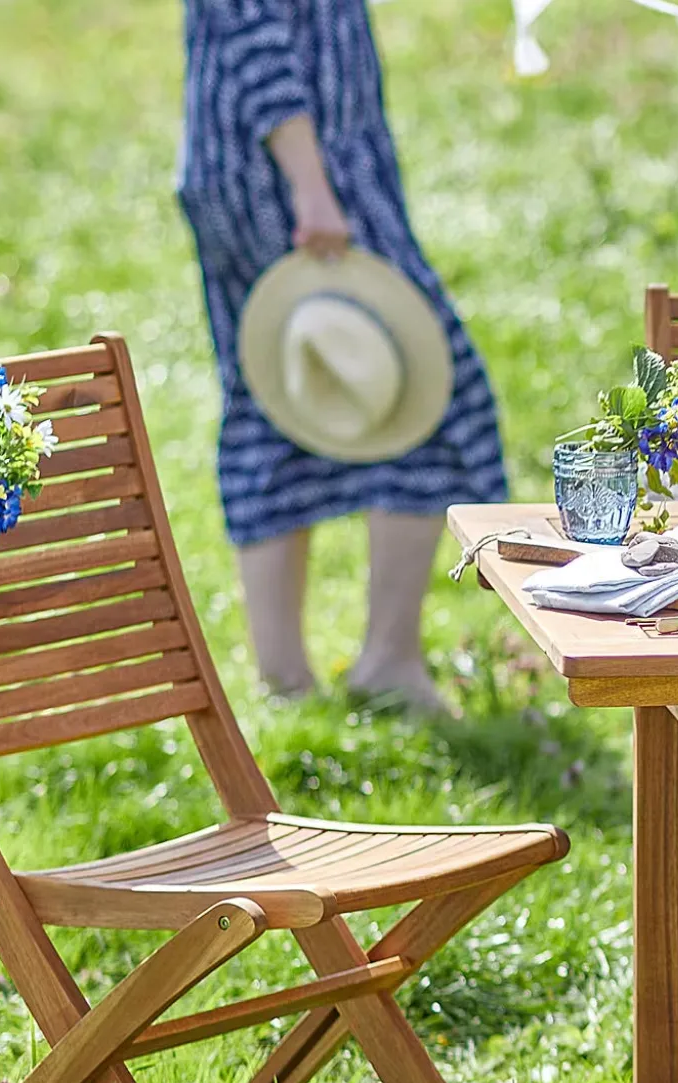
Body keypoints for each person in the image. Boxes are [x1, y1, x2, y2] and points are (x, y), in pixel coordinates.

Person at [178, 0, 508, 708]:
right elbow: (252, 33)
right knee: (415, 386)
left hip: (309, 163)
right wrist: (311, 186)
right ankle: (356, 667)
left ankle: (293, 681)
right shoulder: (305, 177)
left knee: (286, 396)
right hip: (287, 171)